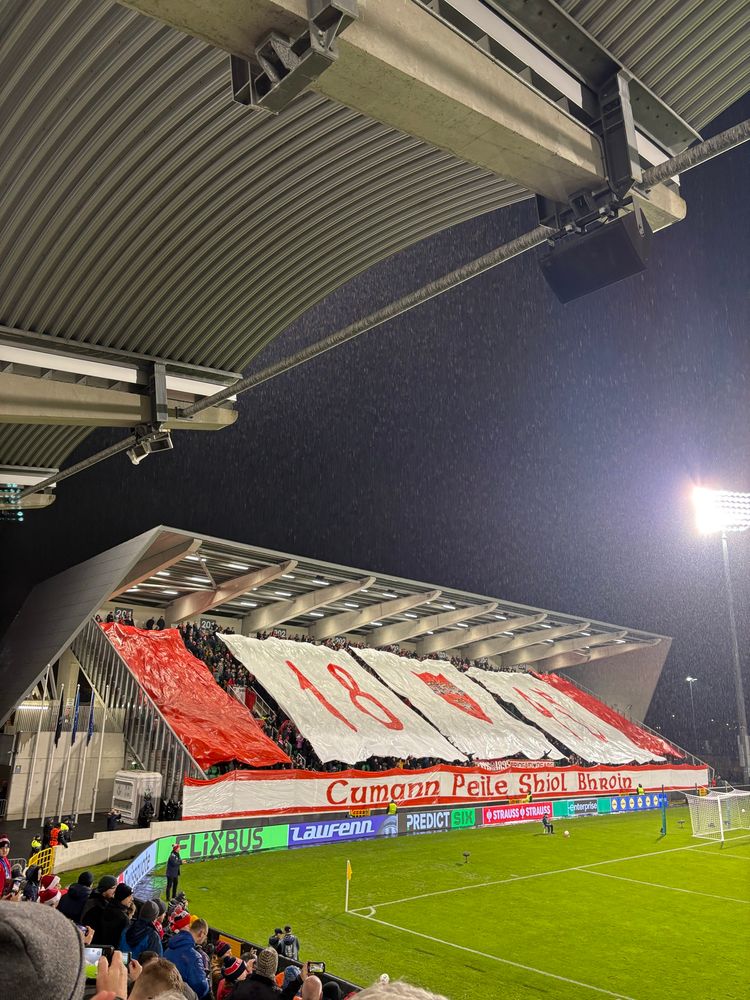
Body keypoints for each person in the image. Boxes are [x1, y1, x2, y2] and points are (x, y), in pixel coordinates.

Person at [165, 916, 211, 1000]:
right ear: (201, 933)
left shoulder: (170, 946)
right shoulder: (195, 957)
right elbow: (202, 988)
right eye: (205, 935)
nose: (205, 938)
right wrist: (205, 978)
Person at [95, 881, 133, 945]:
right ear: (123, 897)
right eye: (129, 896)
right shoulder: (124, 919)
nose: (132, 899)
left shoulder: (106, 907)